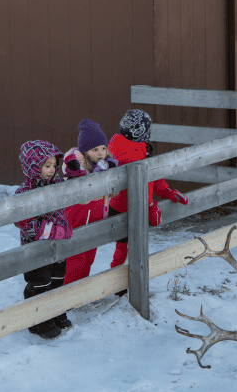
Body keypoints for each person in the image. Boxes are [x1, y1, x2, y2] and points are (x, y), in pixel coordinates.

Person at [108, 110, 189, 292]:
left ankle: (124, 284)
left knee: (128, 248)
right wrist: (150, 204)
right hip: (126, 209)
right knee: (126, 248)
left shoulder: (132, 146)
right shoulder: (129, 154)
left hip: (130, 206)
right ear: (140, 131)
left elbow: (151, 175)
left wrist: (167, 192)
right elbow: (141, 182)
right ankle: (119, 285)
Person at [15, 140, 85, 339]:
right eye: (47, 166)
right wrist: (57, 232)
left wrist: (74, 173)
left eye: (55, 165)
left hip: (57, 248)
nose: (52, 170)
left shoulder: (56, 184)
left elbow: (73, 189)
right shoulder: (23, 192)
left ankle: (56, 313)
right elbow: (27, 225)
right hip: (36, 249)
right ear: (33, 166)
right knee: (41, 283)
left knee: (57, 278)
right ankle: (40, 320)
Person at [62, 119, 119, 284]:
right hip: (77, 223)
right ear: (85, 152)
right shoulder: (76, 168)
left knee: (88, 259)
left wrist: (112, 180)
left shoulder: (105, 166)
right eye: (95, 149)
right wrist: (100, 179)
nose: (101, 153)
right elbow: (84, 196)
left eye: (103, 148)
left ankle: (82, 293)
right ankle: (69, 294)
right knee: (76, 262)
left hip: (94, 221)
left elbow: (113, 194)